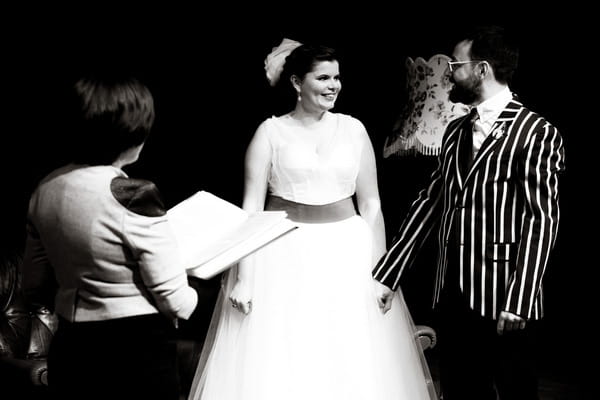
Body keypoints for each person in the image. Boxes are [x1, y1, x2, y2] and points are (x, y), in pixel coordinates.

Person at [187, 39, 436, 400]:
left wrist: (380, 273)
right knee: (286, 351)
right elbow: (251, 211)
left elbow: (371, 205)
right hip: (283, 253)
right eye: (322, 78)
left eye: (337, 77)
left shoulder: (354, 130)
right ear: (296, 83)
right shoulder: (270, 133)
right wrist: (245, 278)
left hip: (345, 252)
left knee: (348, 351)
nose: (333, 85)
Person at [373, 25, 566, 400]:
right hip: (454, 293)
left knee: (514, 391)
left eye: (455, 65)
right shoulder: (455, 130)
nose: (448, 73)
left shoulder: (535, 131)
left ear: (481, 69)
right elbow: (430, 202)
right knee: (461, 391)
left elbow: (541, 219)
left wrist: (521, 297)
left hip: (505, 296)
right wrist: (390, 273)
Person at [21, 75, 199, 400]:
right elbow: (173, 297)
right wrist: (197, 297)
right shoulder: (132, 193)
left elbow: (34, 283)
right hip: (136, 349)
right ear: (133, 133)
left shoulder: (44, 189)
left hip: (72, 345)